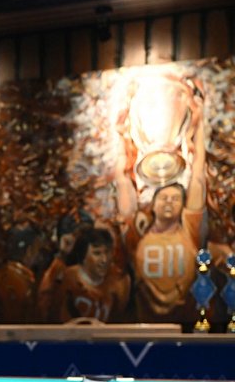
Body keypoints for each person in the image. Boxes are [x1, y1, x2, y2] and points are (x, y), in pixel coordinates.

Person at [115, 83, 208, 322]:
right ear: (153, 205)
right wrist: (120, 133)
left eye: (175, 199)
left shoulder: (190, 232)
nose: (169, 202)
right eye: (164, 198)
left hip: (185, 329)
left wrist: (200, 120)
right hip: (143, 330)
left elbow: (198, 175)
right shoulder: (137, 235)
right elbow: (122, 179)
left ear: (183, 207)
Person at [37, 226, 130, 322]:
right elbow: (46, 307)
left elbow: (119, 318)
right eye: (97, 253)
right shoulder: (67, 278)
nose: (104, 260)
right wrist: (62, 255)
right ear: (84, 257)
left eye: (107, 252)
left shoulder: (118, 281)